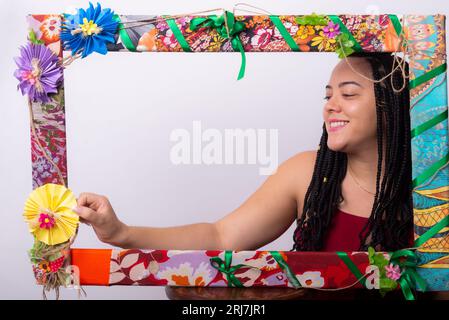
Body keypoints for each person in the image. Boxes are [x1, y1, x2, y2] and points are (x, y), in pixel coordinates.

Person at [73, 52, 413, 252]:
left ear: (391, 106)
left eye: (349, 95)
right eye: (328, 96)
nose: (331, 107)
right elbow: (220, 237)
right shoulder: (306, 173)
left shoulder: (433, 185)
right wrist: (121, 232)